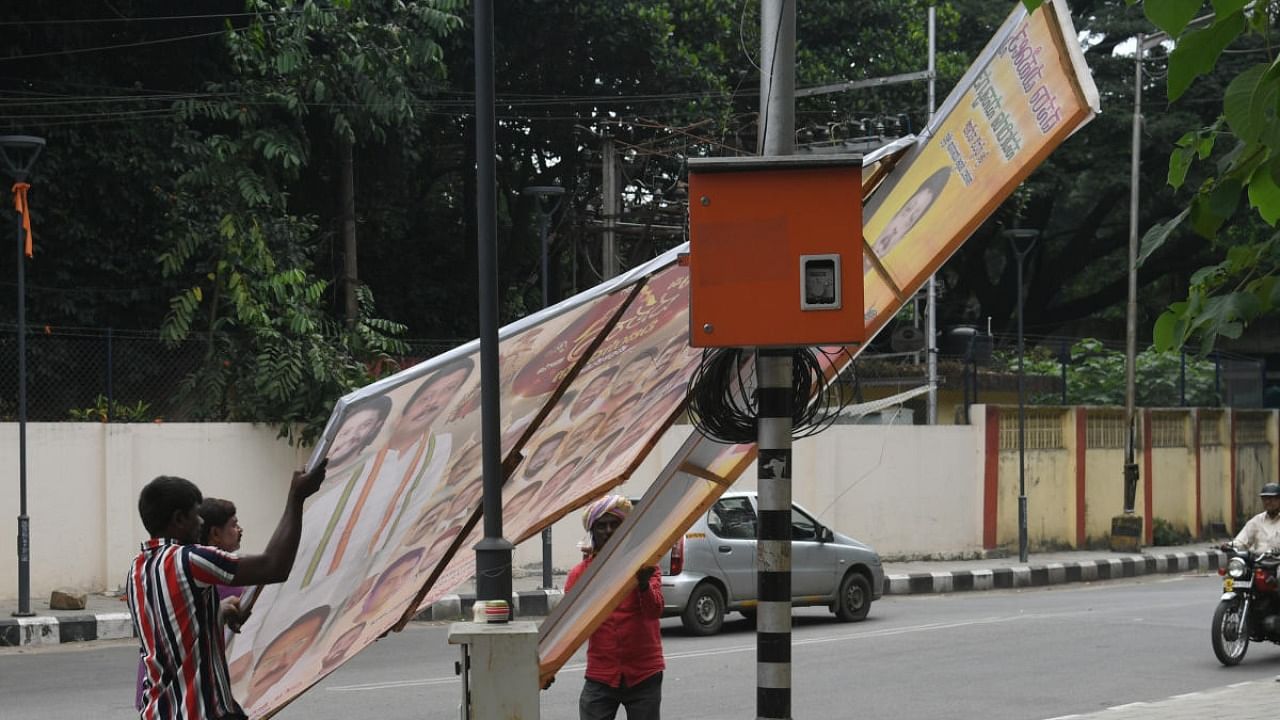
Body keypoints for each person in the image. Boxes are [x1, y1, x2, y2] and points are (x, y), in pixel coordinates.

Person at [127, 460, 327, 720]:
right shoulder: (190, 559)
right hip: (202, 712)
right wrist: (296, 499)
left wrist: (217, 612)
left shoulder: (137, 569)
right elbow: (274, 566)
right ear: (178, 519)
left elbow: (171, 626)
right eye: (196, 514)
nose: (200, 522)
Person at [135, 496, 246, 711]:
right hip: (189, 700)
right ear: (214, 533)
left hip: (160, 694)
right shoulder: (203, 571)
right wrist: (295, 501)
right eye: (233, 524)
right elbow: (274, 566)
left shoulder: (147, 566)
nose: (240, 530)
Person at [563, 495, 664, 720]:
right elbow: (568, 627)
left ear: (624, 528)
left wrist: (644, 584)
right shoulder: (580, 575)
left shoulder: (645, 566)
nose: (608, 531)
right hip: (601, 674)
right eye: (601, 526)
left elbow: (654, 611)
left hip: (644, 673)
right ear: (593, 532)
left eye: (614, 524)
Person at [1226, 483, 1280, 554]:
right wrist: (1230, 545)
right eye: (1264, 499)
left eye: (1271, 499)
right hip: (1258, 561)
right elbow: (1242, 540)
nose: (1267, 502)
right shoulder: (1257, 520)